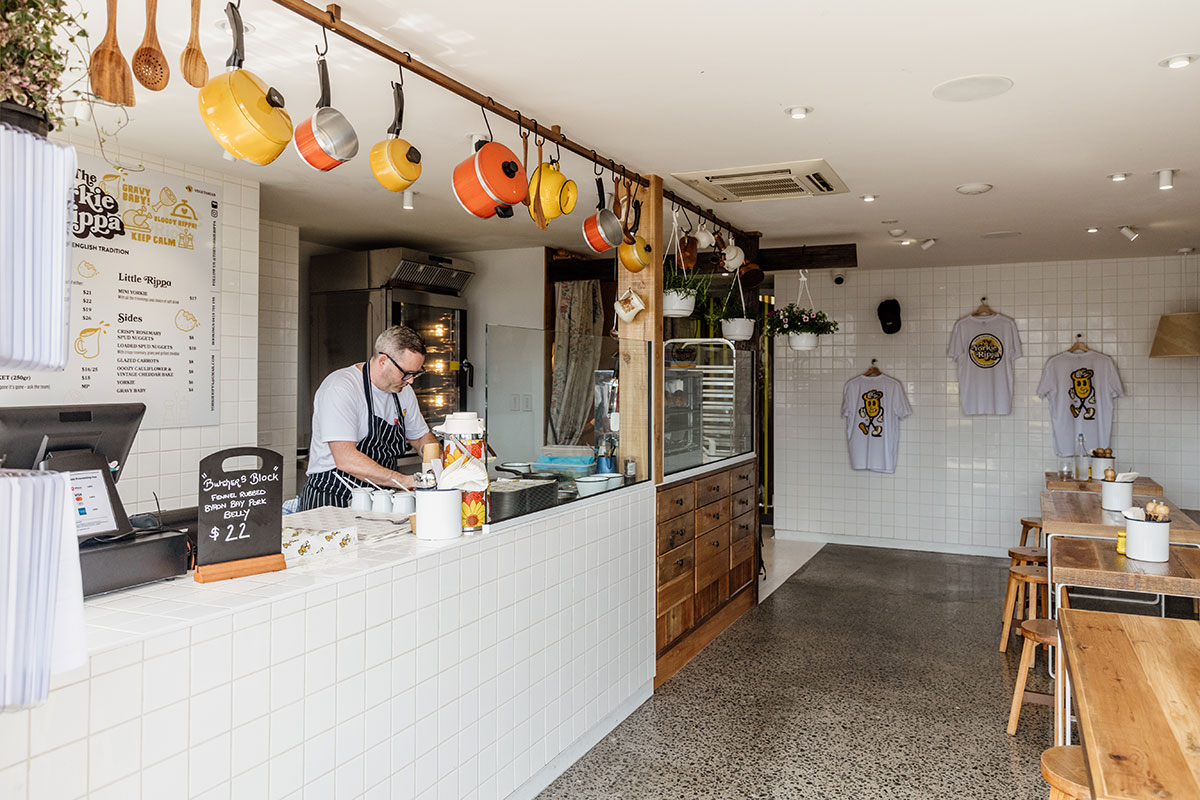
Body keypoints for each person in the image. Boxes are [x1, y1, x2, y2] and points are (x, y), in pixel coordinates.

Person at [299, 325, 439, 510]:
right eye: (406, 373)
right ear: (383, 360)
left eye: (416, 373)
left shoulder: (404, 391)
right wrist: (404, 481)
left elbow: (421, 437)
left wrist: (437, 468)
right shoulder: (341, 388)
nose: (411, 380)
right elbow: (346, 458)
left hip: (380, 500)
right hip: (332, 499)